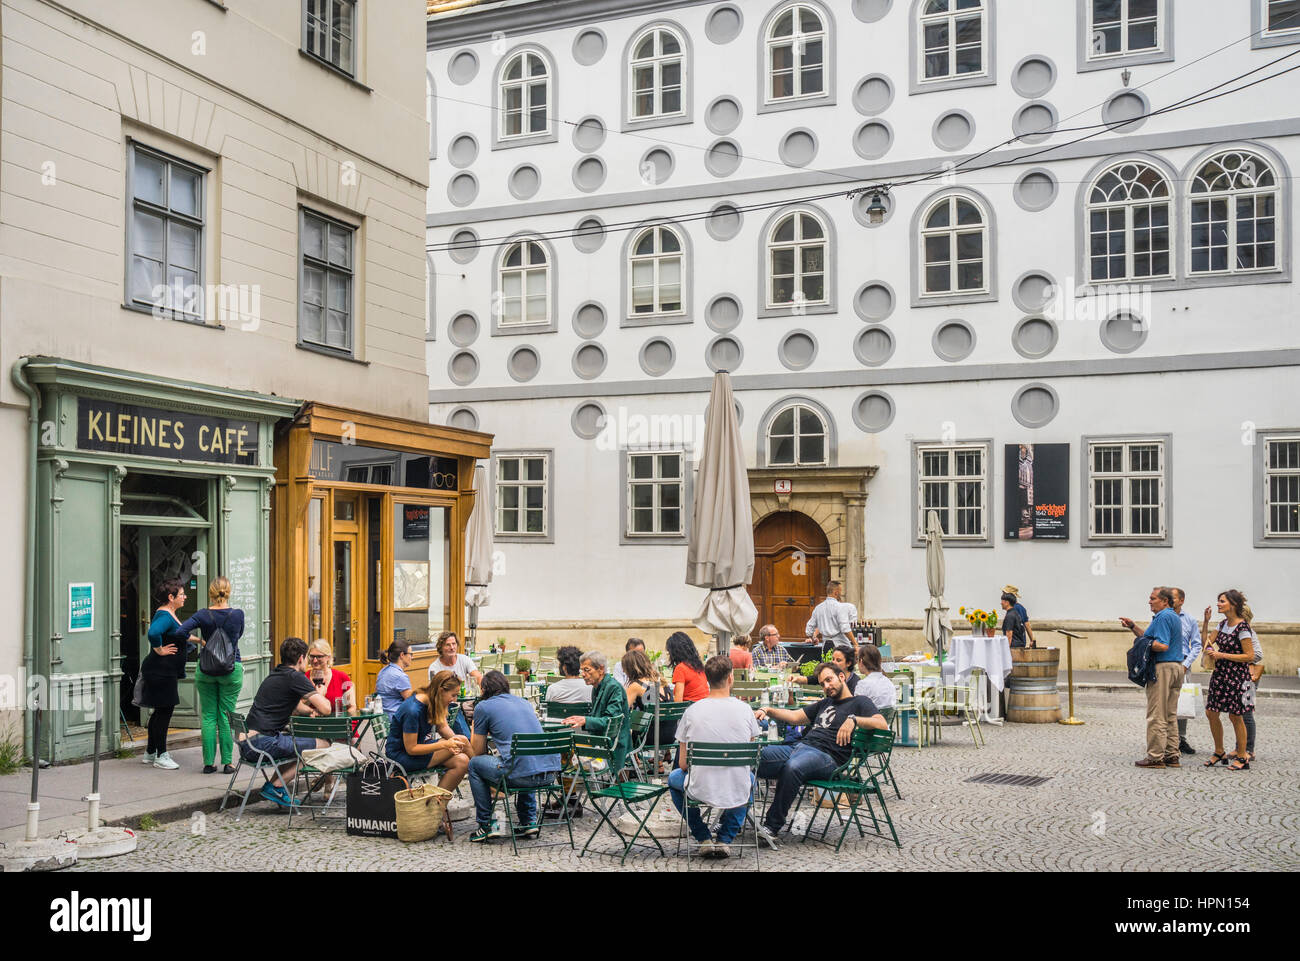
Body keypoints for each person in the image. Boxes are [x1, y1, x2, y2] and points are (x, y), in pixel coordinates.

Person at [754, 661, 886, 847]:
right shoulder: (824, 703)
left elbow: (882, 724)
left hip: (828, 759)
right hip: (799, 748)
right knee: (753, 756)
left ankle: (771, 826)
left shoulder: (860, 702)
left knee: (794, 767)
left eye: (829, 680)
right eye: (822, 683)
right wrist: (767, 710)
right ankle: (730, 820)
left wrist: (854, 720)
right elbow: (794, 717)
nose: (826, 686)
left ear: (842, 677)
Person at [668, 654, 761, 859]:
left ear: (706, 680)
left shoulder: (691, 712)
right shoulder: (746, 710)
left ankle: (703, 838)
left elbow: (683, 764)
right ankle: (725, 839)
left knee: (673, 778)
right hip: (736, 786)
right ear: (730, 678)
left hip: (699, 787)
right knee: (750, 781)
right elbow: (750, 761)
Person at [237, 636, 332, 808]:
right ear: (301, 658)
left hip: (247, 744)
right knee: (323, 744)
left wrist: (310, 710)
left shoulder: (275, 674)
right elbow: (326, 709)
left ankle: (274, 787)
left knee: (296, 745)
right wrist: (322, 693)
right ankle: (276, 786)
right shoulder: (296, 677)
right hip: (262, 744)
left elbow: (295, 707)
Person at [468, 670, 562, 842]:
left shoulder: (483, 707)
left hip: (520, 776)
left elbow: (478, 752)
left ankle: (486, 824)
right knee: (526, 759)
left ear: (483, 690)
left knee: (475, 764)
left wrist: (475, 728)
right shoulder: (524, 702)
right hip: (549, 774)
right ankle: (528, 822)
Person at [180, 575, 245, 774]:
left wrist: (200, 641)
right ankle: (228, 763)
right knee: (226, 715)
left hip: (206, 669)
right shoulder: (237, 614)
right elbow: (238, 635)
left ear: (210, 593)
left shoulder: (202, 614)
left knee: (208, 716)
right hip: (231, 668)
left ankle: (208, 764)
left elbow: (180, 631)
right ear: (228, 592)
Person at [1119, 586, 1185, 769]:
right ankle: (1172, 755)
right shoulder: (1173, 616)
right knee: (1170, 714)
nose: (1149, 601)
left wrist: (1142, 644)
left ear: (1164, 601)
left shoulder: (1163, 617)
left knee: (1156, 714)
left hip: (1163, 668)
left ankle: (1155, 757)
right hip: (1177, 666)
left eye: (1153, 598)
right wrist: (1133, 627)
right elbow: (1148, 637)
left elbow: (1161, 645)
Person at [140, 578, 201, 770]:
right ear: (171, 597)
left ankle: (150, 752)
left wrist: (200, 641)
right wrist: (159, 649)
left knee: (160, 711)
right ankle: (161, 755)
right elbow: (153, 633)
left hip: (163, 671)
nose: (185, 597)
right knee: (164, 712)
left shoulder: (170, 614)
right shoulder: (165, 615)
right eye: (181, 594)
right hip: (161, 671)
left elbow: (180, 633)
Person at [385, 670, 470, 791]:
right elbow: (411, 749)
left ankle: (436, 805)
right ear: (441, 691)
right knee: (463, 742)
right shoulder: (413, 710)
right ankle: (487, 779)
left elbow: (443, 727)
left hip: (420, 748)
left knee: (462, 761)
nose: (455, 699)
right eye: (453, 695)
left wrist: (454, 742)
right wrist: (445, 744)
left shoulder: (432, 699)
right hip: (401, 756)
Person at [1201, 589, 1256, 772]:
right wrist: (1206, 622)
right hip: (1220, 675)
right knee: (1211, 712)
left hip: (1237, 677)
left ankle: (1242, 756)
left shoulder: (1243, 628)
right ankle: (1219, 752)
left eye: (1222, 601)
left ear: (1232, 604)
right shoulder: (1223, 624)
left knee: (1235, 716)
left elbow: (1249, 655)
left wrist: (1221, 654)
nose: (1218, 604)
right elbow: (1206, 643)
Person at [562, 651, 631, 776]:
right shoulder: (598, 686)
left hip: (612, 743)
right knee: (565, 745)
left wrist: (585, 720)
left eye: (587, 670)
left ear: (601, 669)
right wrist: (583, 719)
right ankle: (570, 788)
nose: (583, 674)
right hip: (603, 740)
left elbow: (610, 721)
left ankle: (568, 790)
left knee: (565, 747)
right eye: (581, 670)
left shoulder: (613, 688)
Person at [426, 631, 483, 736]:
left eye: (454, 644)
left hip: (469, 702)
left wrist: (483, 689)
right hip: (449, 705)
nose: (452, 647)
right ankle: (469, 742)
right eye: (448, 645)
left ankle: (483, 739)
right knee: (454, 709)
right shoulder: (435, 667)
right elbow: (433, 692)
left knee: (484, 707)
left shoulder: (464, 659)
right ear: (441, 647)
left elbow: (478, 676)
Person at [622, 648, 677, 747]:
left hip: (651, 737)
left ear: (630, 668)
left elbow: (622, 710)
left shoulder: (636, 685)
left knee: (621, 729)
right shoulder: (661, 680)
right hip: (671, 735)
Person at [1170, 587, 1202, 756]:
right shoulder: (1162, 616)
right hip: (1165, 663)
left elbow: (1197, 645)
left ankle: (1181, 739)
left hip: (1182, 663)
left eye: (1173, 597)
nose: (1170, 599)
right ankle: (1168, 738)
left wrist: (1186, 663)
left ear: (1181, 600)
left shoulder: (1189, 620)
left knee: (1183, 702)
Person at [806, 580, 852, 652]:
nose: (841, 593)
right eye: (840, 591)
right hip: (840, 647)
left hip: (826, 647)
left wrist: (813, 638)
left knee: (827, 663)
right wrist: (855, 644)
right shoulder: (840, 607)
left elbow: (809, 629)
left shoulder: (818, 608)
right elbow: (845, 628)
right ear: (836, 592)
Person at [790, 645, 858, 692]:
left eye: (838, 660)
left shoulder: (856, 683)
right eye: (833, 659)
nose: (834, 662)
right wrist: (795, 678)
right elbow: (808, 679)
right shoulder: (828, 675)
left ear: (848, 663)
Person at [374, 639, 414, 717]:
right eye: (411, 654)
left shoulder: (382, 671)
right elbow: (411, 703)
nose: (412, 657)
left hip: (383, 718)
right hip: (397, 720)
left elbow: (377, 691)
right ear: (402, 655)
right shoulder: (400, 676)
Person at [666, 631, 708, 703]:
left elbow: (678, 702)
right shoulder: (699, 665)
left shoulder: (681, 668)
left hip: (690, 709)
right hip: (704, 706)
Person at [855, 644, 897, 709]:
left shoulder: (863, 685)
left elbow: (856, 709)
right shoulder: (888, 682)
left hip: (869, 718)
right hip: (887, 718)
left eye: (857, 659)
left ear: (861, 661)